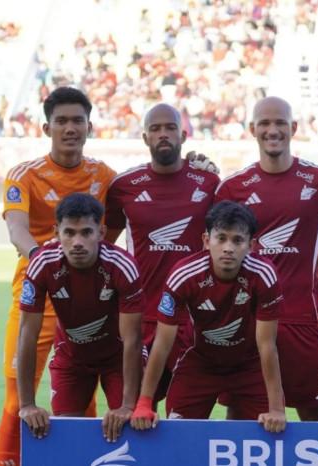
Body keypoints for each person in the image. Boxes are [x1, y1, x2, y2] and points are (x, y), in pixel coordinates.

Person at [0, 87, 116, 466]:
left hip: (90, 302)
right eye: (61, 121)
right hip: (36, 297)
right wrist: (45, 265)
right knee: (17, 398)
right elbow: (16, 229)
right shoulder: (25, 175)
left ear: (89, 127)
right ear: (47, 128)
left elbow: (123, 221)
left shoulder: (105, 176)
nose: (70, 128)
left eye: (77, 121)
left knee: (83, 395)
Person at [215, 96, 318, 420]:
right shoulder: (233, 188)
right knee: (241, 417)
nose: (273, 130)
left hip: (305, 319)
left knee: (316, 417)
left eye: (280, 123)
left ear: (293, 128)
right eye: (265, 123)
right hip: (248, 320)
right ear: (252, 129)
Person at [129, 201, 285, 433]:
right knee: (178, 435)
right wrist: (144, 402)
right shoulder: (184, 275)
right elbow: (162, 343)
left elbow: (267, 344)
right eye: (221, 238)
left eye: (237, 240)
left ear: (251, 245)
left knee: (265, 434)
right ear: (205, 240)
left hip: (249, 364)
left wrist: (276, 409)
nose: (228, 248)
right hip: (199, 362)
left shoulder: (264, 275)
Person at [105, 103, 219, 404]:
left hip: (192, 318)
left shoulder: (209, 183)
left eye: (170, 128)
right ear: (145, 137)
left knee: (185, 415)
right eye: (155, 129)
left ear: (183, 135)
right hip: (140, 317)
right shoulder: (124, 186)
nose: (163, 134)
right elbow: (105, 247)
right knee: (133, 411)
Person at [17, 193, 142, 444]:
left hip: (118, 358)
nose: (77, 242)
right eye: (69, 233)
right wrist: (27, 404)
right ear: (56, 232)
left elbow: (133, 339)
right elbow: (27, 335)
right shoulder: (42, 263)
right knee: (66, 434)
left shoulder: (122, 265)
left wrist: (128, 405)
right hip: (71, 358)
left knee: (132, 428)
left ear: (101, 232)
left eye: (86, 232)